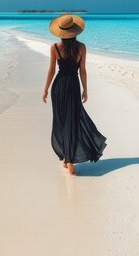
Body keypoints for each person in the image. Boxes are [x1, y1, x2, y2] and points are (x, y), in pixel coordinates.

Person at [41, 14, 107, 175]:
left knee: (61, 121)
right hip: (73, 85)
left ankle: (67, 158)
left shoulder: (55, 48)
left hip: (59, 86)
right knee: (72, 121)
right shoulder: (82, 47)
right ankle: (68, 159)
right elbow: (82, 71)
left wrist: (46, 89)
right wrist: (85, 89)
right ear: (75, 32)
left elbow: (51, 71)